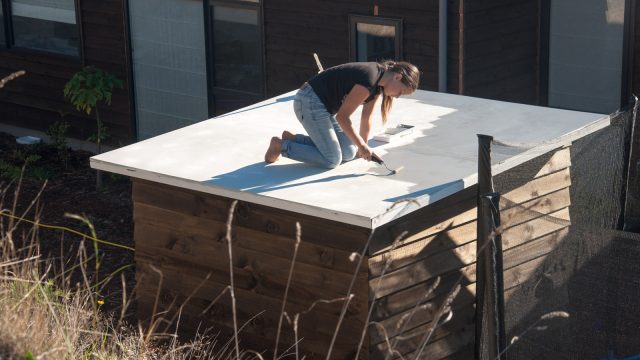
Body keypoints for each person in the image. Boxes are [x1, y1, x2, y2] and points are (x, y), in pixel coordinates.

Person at [264, 60, 420, 168]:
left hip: (324, 108)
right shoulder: (369, 78)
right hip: (309, 102)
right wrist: (363, 145)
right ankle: (281, 146)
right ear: (397, 77)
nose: (397, 96)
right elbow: (343, 118)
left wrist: (362, 148)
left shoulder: (378, 85)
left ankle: (294, 139)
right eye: (401, 91)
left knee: (349, 151)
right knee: (332, 159)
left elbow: (367, 118)